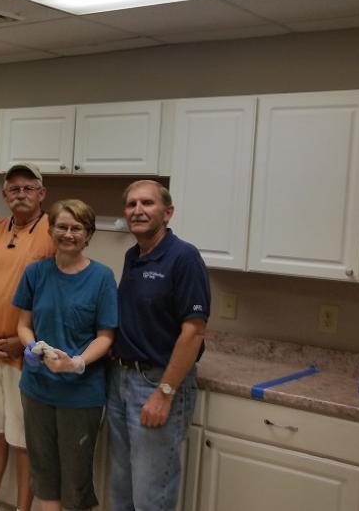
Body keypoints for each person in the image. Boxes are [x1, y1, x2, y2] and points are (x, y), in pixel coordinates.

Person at [107, 180, 210, 511]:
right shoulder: (133, 255)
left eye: (147, 204)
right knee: (122, 488)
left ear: (167, 213)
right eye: (131, 204)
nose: (137, 210)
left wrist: (164, 393)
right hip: (120, 380)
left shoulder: (184, 257)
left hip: (155, 383)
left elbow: (193, 332)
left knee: (151, 495)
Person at [14, 199, 118, 511]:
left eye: (77, 228)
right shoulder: (35, 273)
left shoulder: (102, 277)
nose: (68, 234)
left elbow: (106, 336)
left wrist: (78, 363)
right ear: (51, 230)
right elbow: (23, 324)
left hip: (80, 394)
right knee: (43, 472)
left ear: (88, 235)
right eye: (62, 226)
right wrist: (31, 348)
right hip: (37, 389)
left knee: (76, 478)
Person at [0, 162, 55, 511]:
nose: (21, 194)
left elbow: (54, 298)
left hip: (27, 354)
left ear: (42, 194)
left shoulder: (54, 231)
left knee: (23, 441)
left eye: (28, 188)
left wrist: (26, 341)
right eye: (14, 189)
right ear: (4, 196)